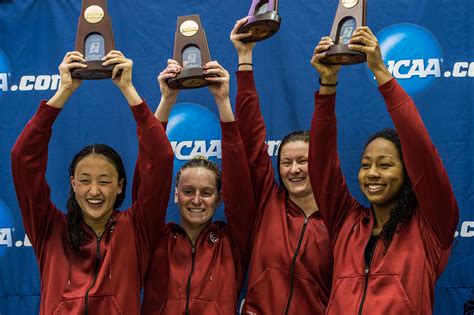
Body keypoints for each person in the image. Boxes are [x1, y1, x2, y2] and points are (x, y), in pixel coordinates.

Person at [309, 27, 459, 314]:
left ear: (408, 173)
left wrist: (380, 70)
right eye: (366, 165)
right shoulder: (346, 222)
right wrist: (327, 86)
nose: (372, 173)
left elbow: (419, 146)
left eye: (385, 164)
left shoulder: (431, 227)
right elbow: (321, 165)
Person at [11, 50, 174, 314]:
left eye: (105, 181)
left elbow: (161, 157)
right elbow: (22, 159)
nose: (94, 191)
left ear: (120, 186)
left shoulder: (137, 228)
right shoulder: (49, 230)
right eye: (85, 180)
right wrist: (62, 91)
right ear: (73, 183)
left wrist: (128, 89)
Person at [229, 18, 333, 314]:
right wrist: (244, 58)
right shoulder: (268, 202)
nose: (294, 169)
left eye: (303, 161)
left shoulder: (341, 220)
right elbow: (250, 136)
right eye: (286, 162)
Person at [140, 59, 257, 314]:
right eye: (188, 191)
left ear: (220, 198)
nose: (196, 200)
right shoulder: (153, 238)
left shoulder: (233, 242)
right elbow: (149, 172)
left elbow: (239, 179)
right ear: (175, 194)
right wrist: (167, 99)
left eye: (206, 193)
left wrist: (223, 101)